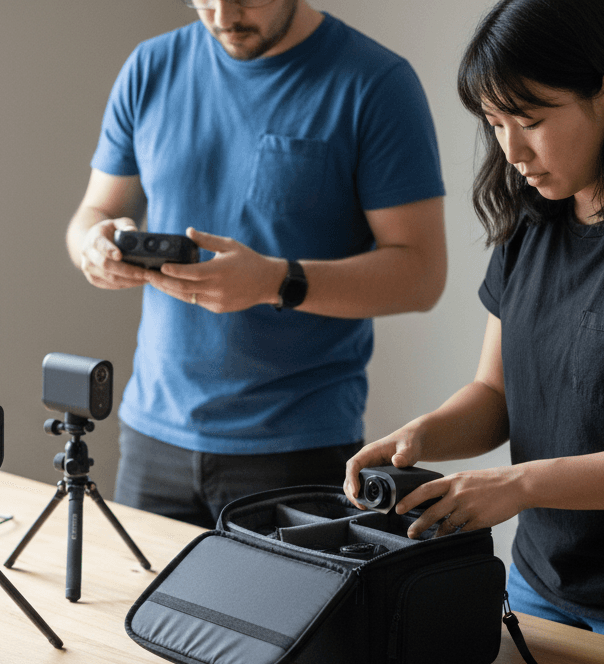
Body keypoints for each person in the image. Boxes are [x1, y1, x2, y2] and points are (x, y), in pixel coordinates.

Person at [344, 0, 604, 664]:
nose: (512, 150)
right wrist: (419, 438)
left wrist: (521, 485)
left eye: (530, 120)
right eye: (495, 122)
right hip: (539, 584)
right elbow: (495, 395)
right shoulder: (532, 215)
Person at [68, 0, 447, 527]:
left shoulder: (376, 83)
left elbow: (421, 274)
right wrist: (93, 244)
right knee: (145, 611)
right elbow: (98, 209)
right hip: (152, 439)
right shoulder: (150, 65)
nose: (223, 15)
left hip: (298, 448)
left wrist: (276, 281)